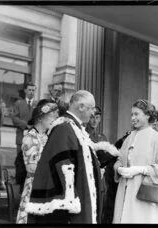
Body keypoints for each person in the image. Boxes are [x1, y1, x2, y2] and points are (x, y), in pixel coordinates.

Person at [26, 90, 118, 224]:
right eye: (91, 108)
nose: (93, 113)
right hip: (70, 210)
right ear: (81, 107)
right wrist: (69, 204)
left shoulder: (74, 128)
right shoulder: (64, 128)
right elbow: (61, 168)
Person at [113, 99, 158, 223]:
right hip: (126, 193)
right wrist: (119, 168)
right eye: (131, 115)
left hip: (146, 195)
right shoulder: (129, 138)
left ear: (147, 115)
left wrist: (141, 170)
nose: (132, 118)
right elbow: (119, 159)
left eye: (136, 114)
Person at [16, 101, 59, 224]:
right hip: (34, 187)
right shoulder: (30, 137)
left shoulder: (47, 136)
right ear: (40, 118)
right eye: (51, 116)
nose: (54, 119)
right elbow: (31, 168)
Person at [11, 82, 38, 156]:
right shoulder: (18, 103)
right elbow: (14, 118)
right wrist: (26, 125)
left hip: (34, 138)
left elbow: (41, 119)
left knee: (32, 162)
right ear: (25, 90)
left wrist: (33, 126)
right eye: (29, 90)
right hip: (21, 137)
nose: (31, 92)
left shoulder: (38, 104)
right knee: (20, 160)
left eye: (33, 90)